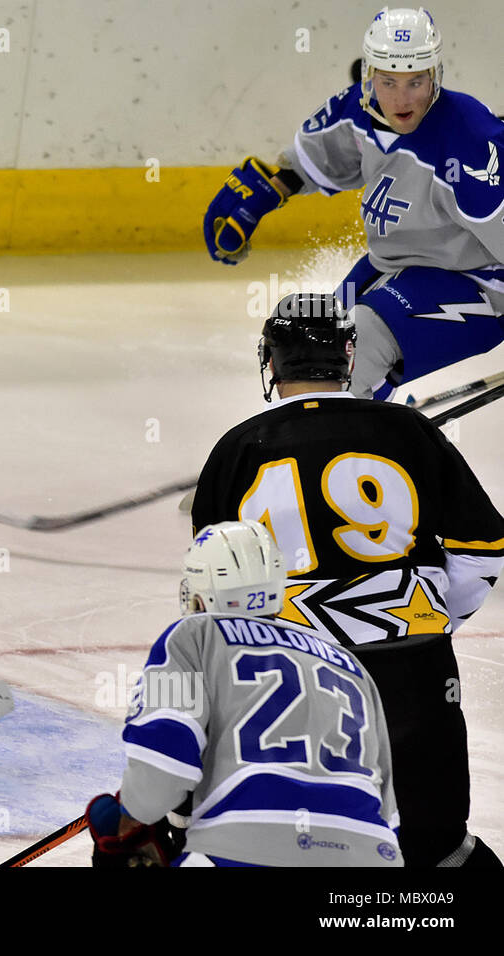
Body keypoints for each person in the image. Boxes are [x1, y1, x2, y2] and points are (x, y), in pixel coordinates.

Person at [189, 292, 504, 868]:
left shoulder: (236, 451)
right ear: (349, 355)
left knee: (308, 847)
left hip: (294, 680)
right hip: (415, 669)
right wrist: (423, 617)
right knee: (440, 850)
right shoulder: (411, 431)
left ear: (271, 360)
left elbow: (211, 594)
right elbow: (485, 552)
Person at [204, 7, 504, 400]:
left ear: (436, 75)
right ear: (369, 76)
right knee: (306, 341)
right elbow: (315, 160)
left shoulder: (469, 139)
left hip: (478, 281)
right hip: (392, 265)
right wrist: (268, 191)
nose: (402, 98)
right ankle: (341, 427)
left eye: (417, 81)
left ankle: (351, 436)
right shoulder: (360, 111)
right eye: (388, 81)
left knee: (349, 349)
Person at [86, 520, 403, 867]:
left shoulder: (191, 636)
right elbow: (387, 809)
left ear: (197, 591)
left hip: (243, 848)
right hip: (371, 855)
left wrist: (128, 817)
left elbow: (161, 765)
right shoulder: (350, 665)